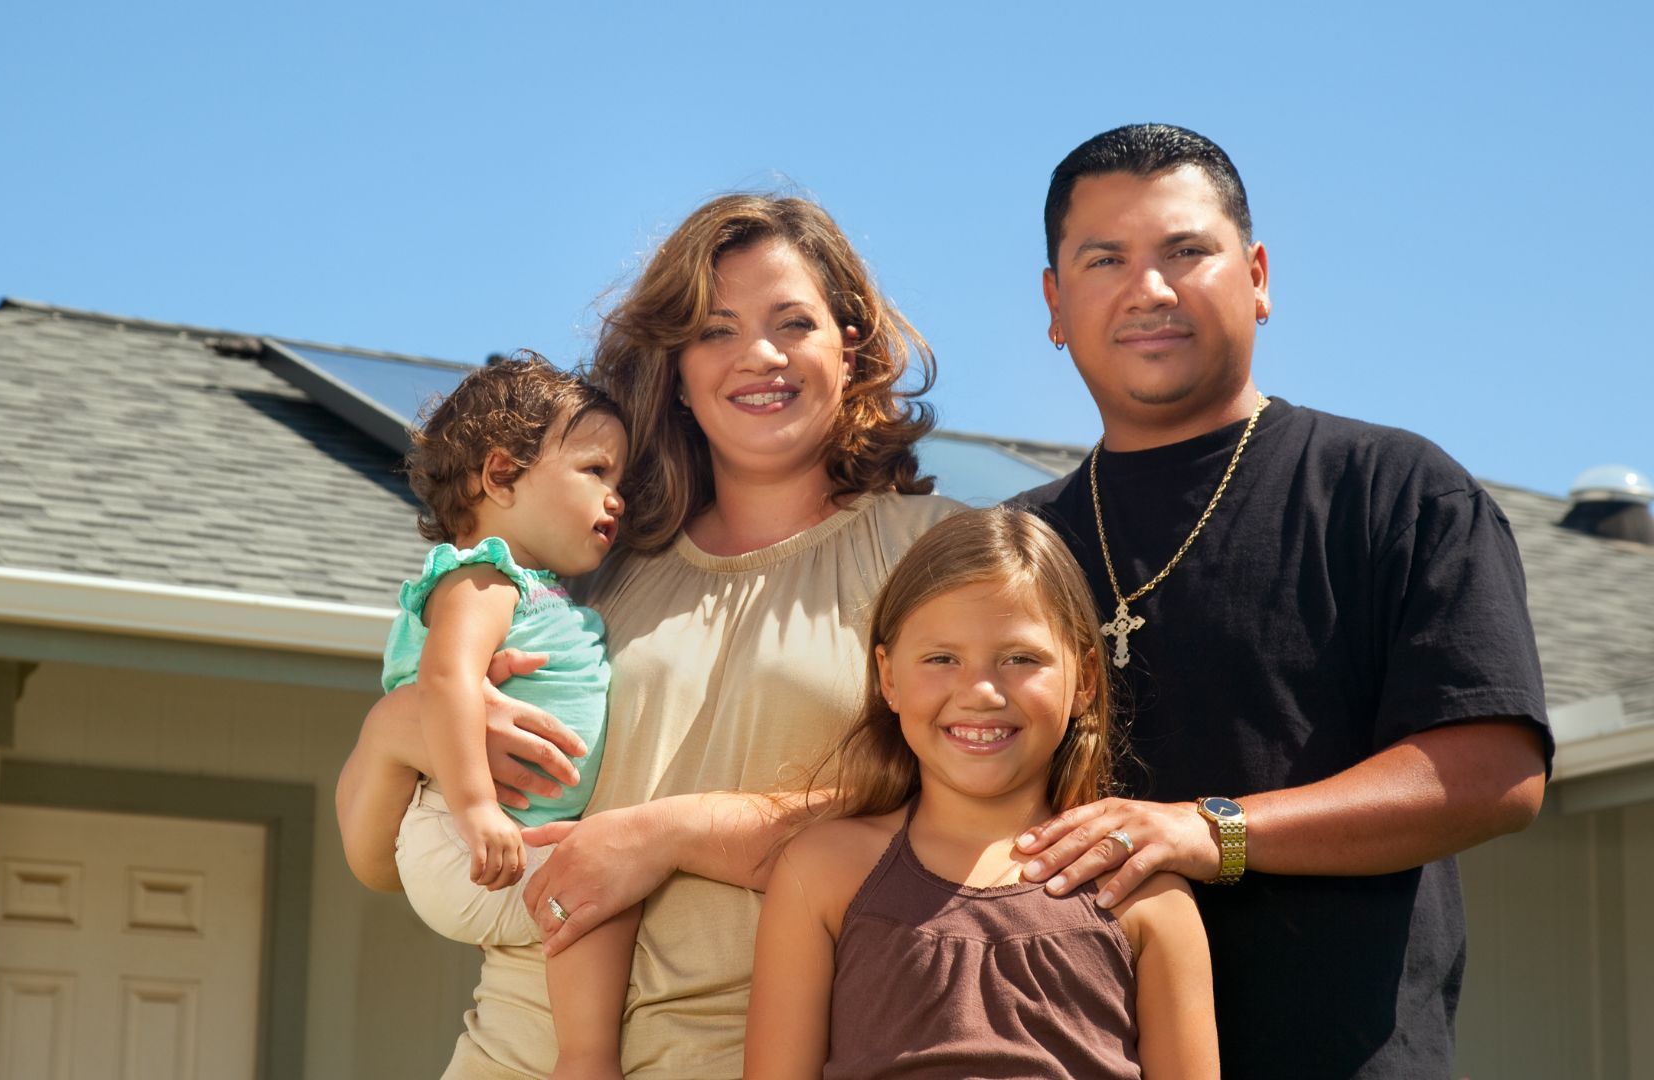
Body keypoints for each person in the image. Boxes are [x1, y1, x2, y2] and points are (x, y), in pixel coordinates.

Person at [336, 193, 964, 1078]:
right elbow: (376, 861)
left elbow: (978, 834)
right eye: (716, 330)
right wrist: (397, 730)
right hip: (515, 1056)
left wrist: (669, 833)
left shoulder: (940, 554)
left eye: (794, 321)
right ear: (672, 365)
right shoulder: (585, 563)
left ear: (849, 344)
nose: (759, 355)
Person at [1010, 124, 1553, 1079]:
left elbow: (1495, 769)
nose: (1151, 289)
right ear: (1055, 303)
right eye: (1106, 260)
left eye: (1187, 251)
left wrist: (1210, 831)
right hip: (1067, 1054)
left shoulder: (1397, 491)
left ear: (1256, 274)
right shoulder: (1013, 547)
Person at [745, 506, 1217, 1080]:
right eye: (942, 659)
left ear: (1085, 681)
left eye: (1021, 659)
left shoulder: (1147, 894)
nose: (981, 692)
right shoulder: (819, 871)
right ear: (888, 678)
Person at [381, 355, 638, 1079]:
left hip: (496, 835)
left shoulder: (540, 589)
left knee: (595, 879)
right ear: (501, 476)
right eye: (595, 471)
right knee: (603, 884)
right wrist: (475, 810)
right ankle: (585, 1061)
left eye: (620, 480)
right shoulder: (484, 576)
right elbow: (446, 678)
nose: (616, 497)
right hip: (464, 835)